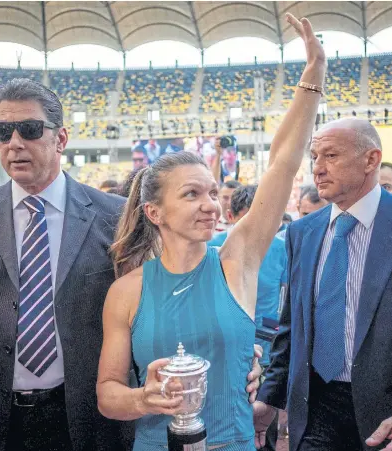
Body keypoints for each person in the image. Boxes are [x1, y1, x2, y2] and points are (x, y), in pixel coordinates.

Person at [97, 14, 326, 451]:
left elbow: (282, 164)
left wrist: (312, 77)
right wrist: (143, 398)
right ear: (154, 212)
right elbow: (108, 395)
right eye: (190, 194)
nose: (209, 204)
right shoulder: (126, 291)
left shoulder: (236, 262)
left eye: (212, 192)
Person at [0, 78, 131, 451]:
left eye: (29, 130)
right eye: (2, 131)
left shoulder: (116, 217)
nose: (14, 142)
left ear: (60, 139)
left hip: (86, 418)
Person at [254, 118, 392, 451]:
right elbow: (291, 327)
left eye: (330, 155)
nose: (317, 168)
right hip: (316, 407)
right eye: (314, 157)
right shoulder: (303, 233)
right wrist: (269, 399)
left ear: (371, 160)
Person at [208, 185, 287, 451]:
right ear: (231, 217)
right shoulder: (210, 248)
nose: (256, 230)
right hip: (220, 358)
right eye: (248, 221)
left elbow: (286, 304)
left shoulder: (282, 250)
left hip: (265, 358)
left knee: (263, 436)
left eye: (263, 222)